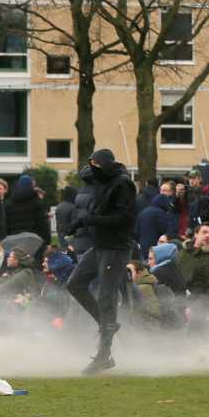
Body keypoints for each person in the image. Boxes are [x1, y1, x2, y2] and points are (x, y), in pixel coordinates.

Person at [66, 148, 136, 374]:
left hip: (115, 248)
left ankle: (104, 354)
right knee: (74, 284)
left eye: (94, 164)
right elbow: (94, 209)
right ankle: (106, 324)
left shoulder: (122, 183)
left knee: (107, 297)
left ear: (104, 164)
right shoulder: (102, 182)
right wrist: (78, 224)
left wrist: (91, 219)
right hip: (100, 246)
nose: (91, 169)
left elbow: (125, 218)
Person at [3, 175, 50, 252]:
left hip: (15, 238)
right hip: (34, 239)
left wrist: (8, 236)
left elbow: (6, 223)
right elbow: (42, 224)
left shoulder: (10, 202)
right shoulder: (36, 201)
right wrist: (47, 241)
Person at [177, 223, 209, 299]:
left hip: (196, 304)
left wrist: (196, 307)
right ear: (196, 234)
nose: (208, 236)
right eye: (204, 232)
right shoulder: (183, 253)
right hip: (176, 299)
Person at [136, 194, 177, 260]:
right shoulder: (161, 214)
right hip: (156, 247)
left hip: (143, 247)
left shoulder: (143, 212)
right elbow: (168, 231)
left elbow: (136, 232)